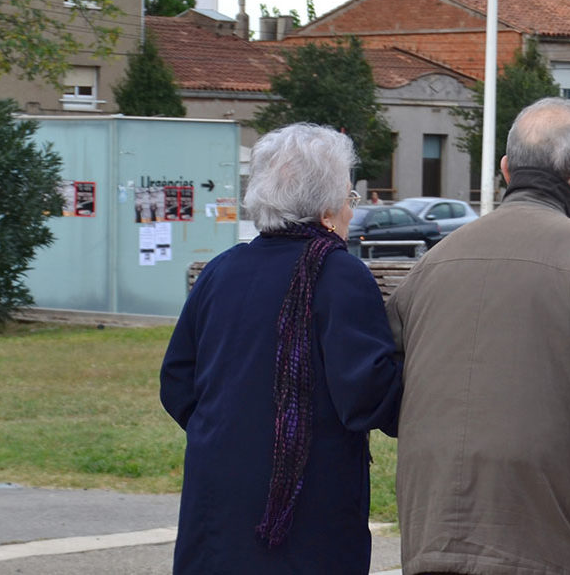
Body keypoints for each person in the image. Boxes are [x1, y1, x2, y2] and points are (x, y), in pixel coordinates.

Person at [386, 98, 570, 574]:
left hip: (432, 521)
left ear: (505, 169)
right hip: (546, 529)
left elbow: (386, 374)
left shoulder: (435, 261)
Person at [160, 123, 403, 574]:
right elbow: (367, 396)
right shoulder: (340, 275)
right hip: (305, 506)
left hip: (217, 500)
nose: (350, 211)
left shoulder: (220, 271)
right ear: (329, 208)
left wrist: (227, 433)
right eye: (349, 199)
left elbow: (177, 381)